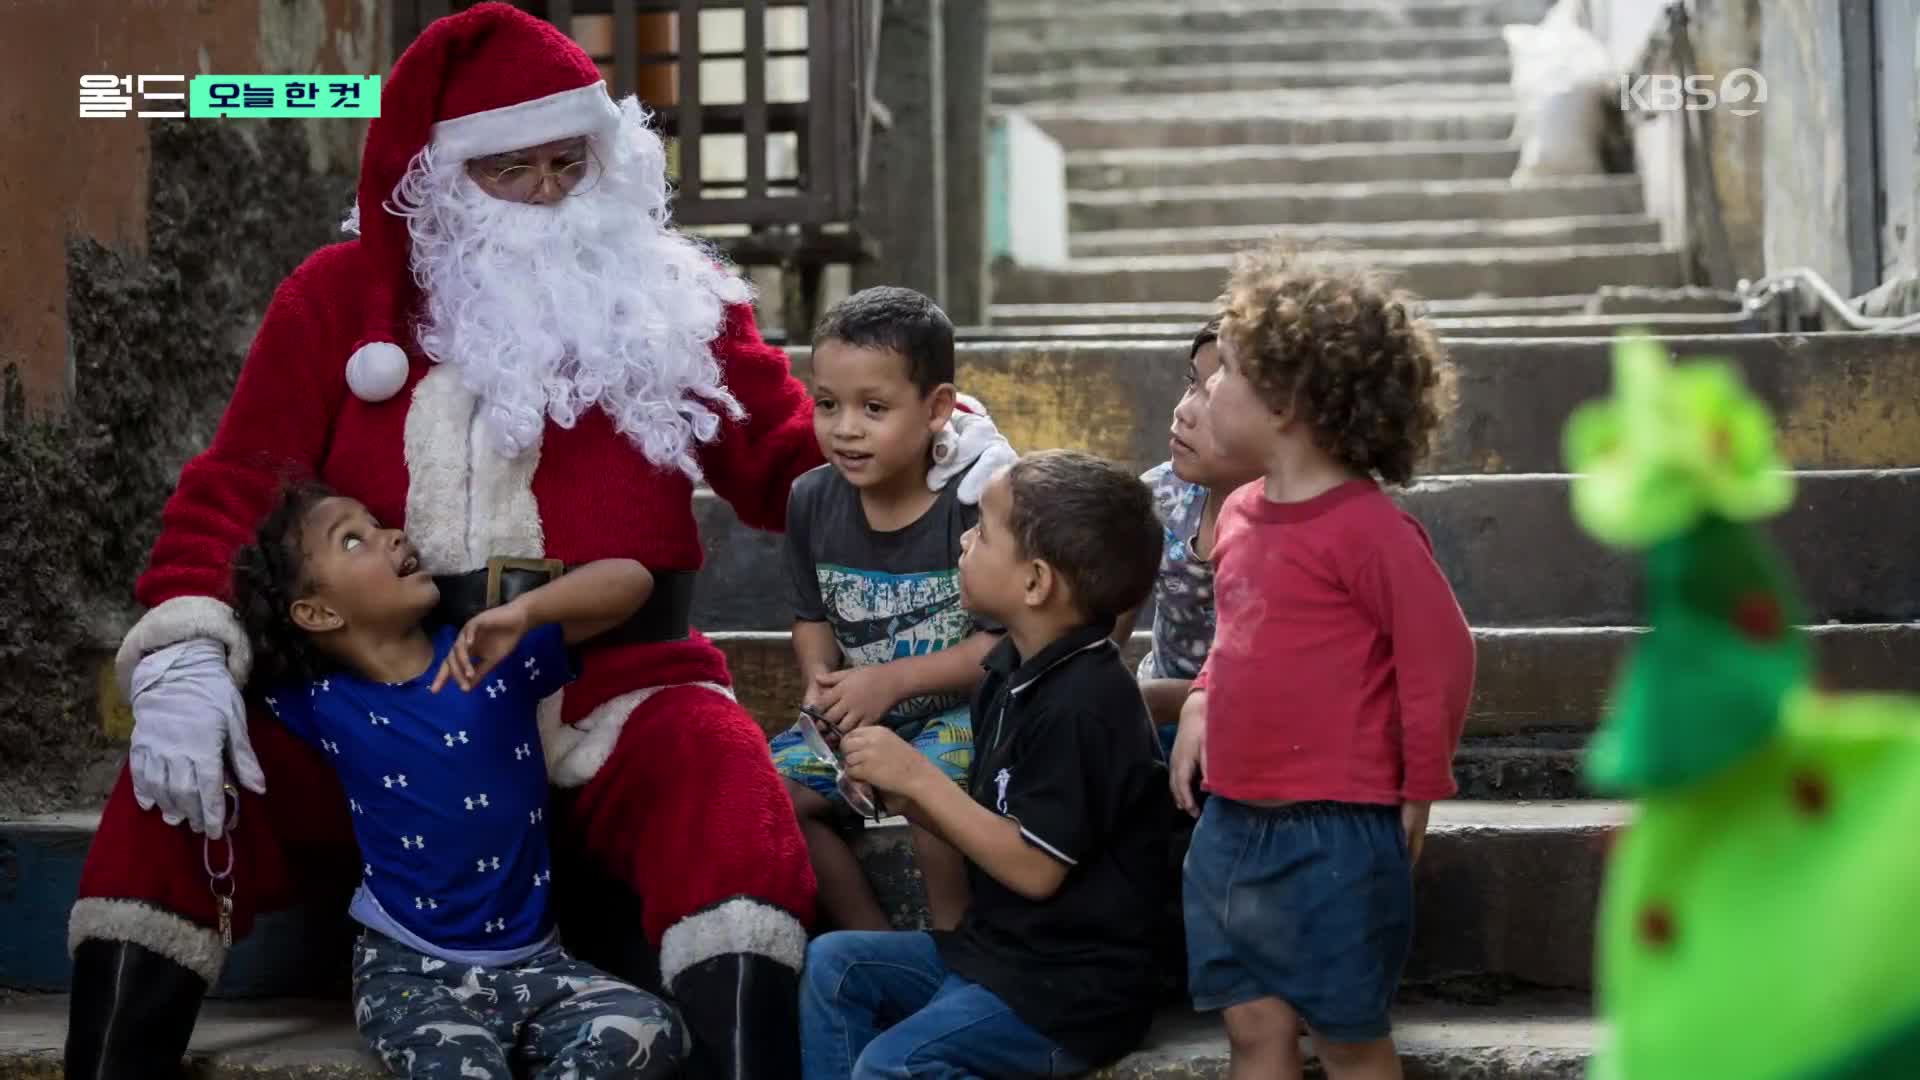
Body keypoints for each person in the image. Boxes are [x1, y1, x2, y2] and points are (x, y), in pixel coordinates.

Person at [64, 6, 1009, 1078]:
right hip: (384, 709)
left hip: (612, 686)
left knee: (726, 776)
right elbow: (236, 483)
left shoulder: (669, 300)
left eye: (572, 160)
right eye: (512, 169)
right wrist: (189, 652)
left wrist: (934, 460)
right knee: (177, 784)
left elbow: (785, 459)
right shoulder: (337, 300)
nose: (553, 190)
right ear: (438, 177)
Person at [231, 486, 684, 1078]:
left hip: (537, 967)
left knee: (650, 1028)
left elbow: (634, 581)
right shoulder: (319, 701)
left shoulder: (491, 652)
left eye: (379, 522)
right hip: (408, 975)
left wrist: (527, 611)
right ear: (317, 613)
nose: (392, 535)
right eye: (352, 539)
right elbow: (222, 652)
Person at [1169, 250, 1476, 1080]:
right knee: (1253, 1030)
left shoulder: (1368, 531)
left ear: (1289, 400)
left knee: (1348, 1039)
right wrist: (1200, 700)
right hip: (1232, 821)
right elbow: (1239, 638)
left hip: (1336, 828)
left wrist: (1420, 786)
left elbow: (1438, 655)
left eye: (1224, 371)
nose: (1205, 389)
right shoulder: (1238, 513)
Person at [800, 450, 1172, 1079]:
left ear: (1035, 582)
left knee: (894, 1066)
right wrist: (901, 798)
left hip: (1068, 993)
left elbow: (1034, 868)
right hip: (996, 954)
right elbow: (992, 821)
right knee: (836, 968)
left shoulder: (1085, 703)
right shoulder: (1009, 672)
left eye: (984, 532)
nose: (965, 539)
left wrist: (919, 775)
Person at [770, 286, 1000, 933]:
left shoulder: (971, 503)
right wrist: (820, 679)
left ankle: (952, 941)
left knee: (930, 787)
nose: (845, 428)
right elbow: (812, 615)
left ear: (937, 409)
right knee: (770, 798)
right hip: (855, 715)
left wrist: (893, 680)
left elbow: (1001, 646)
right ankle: (868, 937)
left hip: (959, 711)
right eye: (827, 405)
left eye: (873, 408)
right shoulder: (812, 500)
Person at [1114, 317, 1264, 760]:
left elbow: (1277, 682)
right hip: (1157, 719)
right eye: (1190, 383)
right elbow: (1106, 637)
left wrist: (1163, 698)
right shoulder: (1159, 498)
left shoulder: (1293, 531)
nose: (1184, 410)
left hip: (1258, 725)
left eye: (1214, 395)